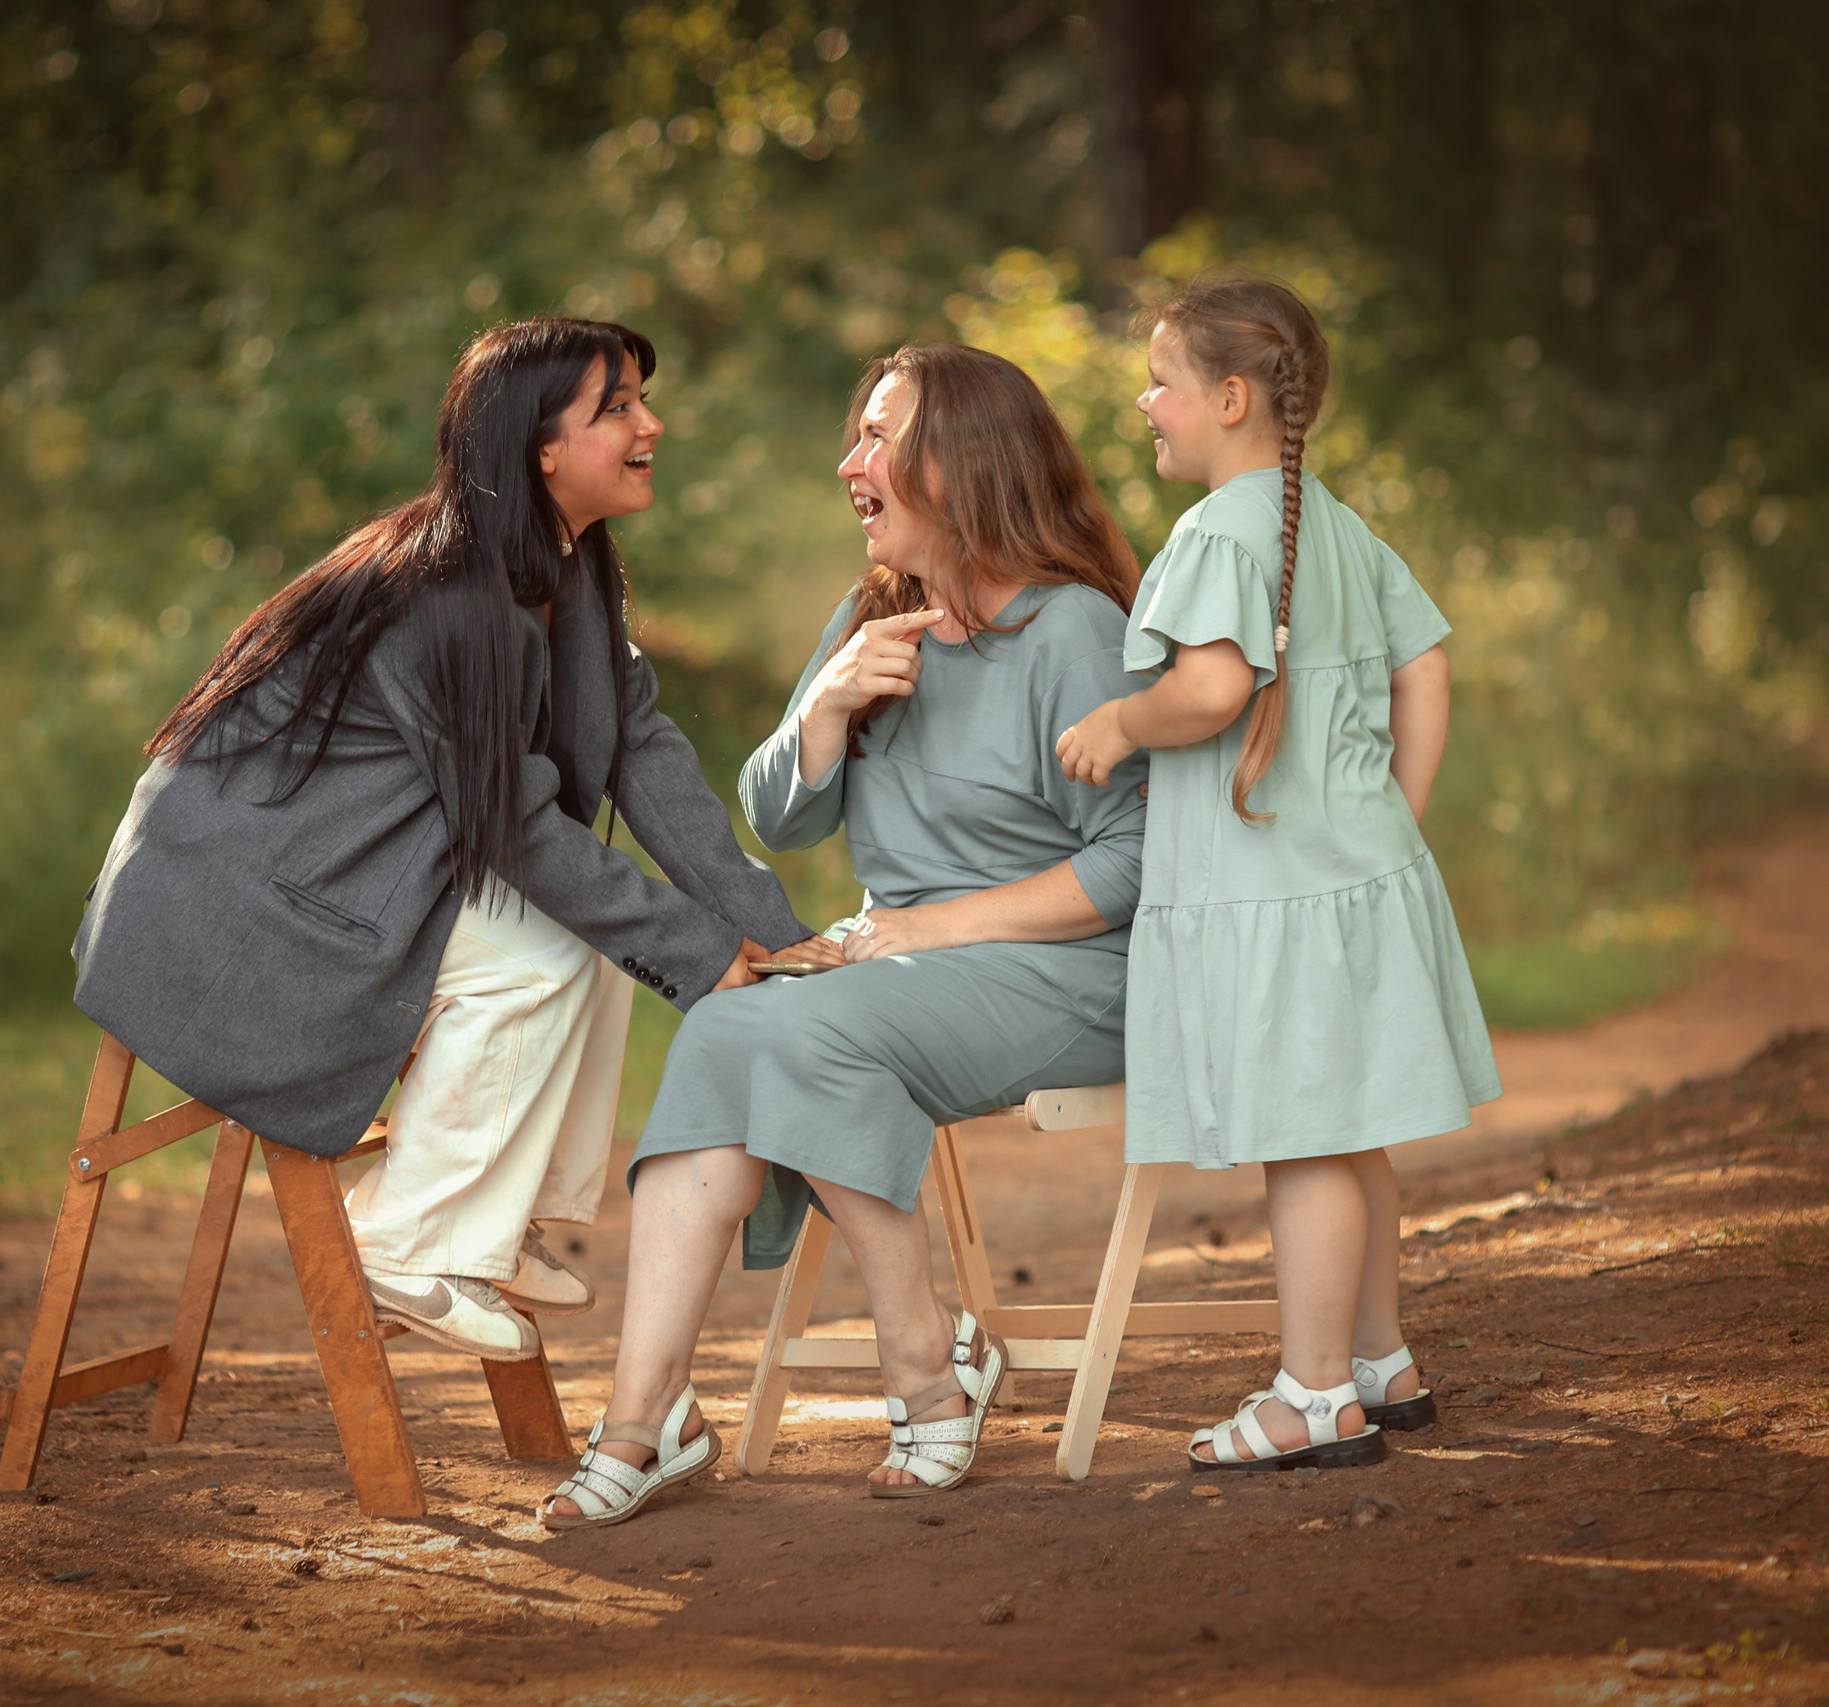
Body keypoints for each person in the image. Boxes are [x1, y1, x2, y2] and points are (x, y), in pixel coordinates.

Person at [71, 317, 834, 1364]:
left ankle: (496, 1217)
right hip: (235, 906)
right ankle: (406, 1240)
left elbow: (641, 752)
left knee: (602, 940)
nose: (651, 422)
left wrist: (765, 933)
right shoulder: (449, 595)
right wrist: (704, 957)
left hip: (351, 871)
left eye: (641, 400)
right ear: (540, 447)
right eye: (616, 408)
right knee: (554, 948)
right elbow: (516, 829)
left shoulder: (566, 567)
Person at [538, 343, 1149, 1529]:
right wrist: (823, 713)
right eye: (855, 435)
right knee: (730, 1021)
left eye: (878, 436)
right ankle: (644, 1413)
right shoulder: (875, 613)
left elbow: (1132, 865)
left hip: (1067, 974)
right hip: (901, 972)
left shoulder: (1070, 632)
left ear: (961, 461)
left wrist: (921, 931)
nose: (848, 462)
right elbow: (777, 810)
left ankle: (924, 1363)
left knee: (797, 1025)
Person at [1057, 277, 1502, 1472]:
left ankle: (1310, 1396)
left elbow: (1209, 692)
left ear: (1233, 398)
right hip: (1359, 874)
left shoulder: (1215, 534)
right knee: (1353, 1131)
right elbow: (1428, 668)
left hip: (1274, 895)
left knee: (1304, 1137)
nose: (1144, 404)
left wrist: (1122, 723)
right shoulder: (1335, 525)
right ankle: (1378, 1360)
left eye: (1161, 383)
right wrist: (1389, 819)